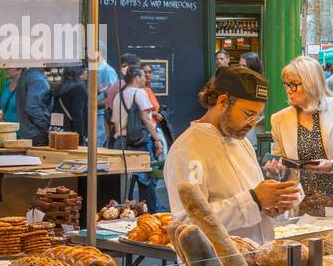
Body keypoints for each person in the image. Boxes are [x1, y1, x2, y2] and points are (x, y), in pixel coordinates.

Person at [165, 66, 301, 241]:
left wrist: (270, 206)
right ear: (222, 102)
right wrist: (254, 200)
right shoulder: (187, 150)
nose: (252, 123)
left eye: (257, 116)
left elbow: (253, 206)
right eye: (248, 114)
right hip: (216, 265)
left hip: (257, 259)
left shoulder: (243, 143)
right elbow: (188, 221)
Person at [268, 56, 333, 215]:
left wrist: (331, 165)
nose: (289, 90)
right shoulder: (279, 119)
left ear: (311, 84)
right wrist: (277, 170)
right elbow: (281, 159)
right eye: (287, 85)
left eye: (294, 85)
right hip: (302, 204)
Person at [111, 65, 164, 212]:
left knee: (124, 185)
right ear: (136, 78)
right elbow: (146, 119)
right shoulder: (139, 93)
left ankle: (123, 215)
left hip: (120, 143)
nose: (144, 79)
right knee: (146, 183)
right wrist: (157, 140)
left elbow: (115, 121)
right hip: (138, 143)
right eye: (142, 76)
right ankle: (149, 216)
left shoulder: (118, 96)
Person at [4, 67, 51, 147]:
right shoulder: (38, 79)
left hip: (26, 133)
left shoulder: (26, 76)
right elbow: (32, 107)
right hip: (36, 134)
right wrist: (46, 125)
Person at [51, 67, 88, 145]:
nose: (86, 73)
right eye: (84, 71)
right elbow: (77, 115)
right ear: (78, 74)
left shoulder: (59, 88)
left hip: (57, 130)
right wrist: (80, 136)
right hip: (71, 133)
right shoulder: (78, 90)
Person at [91, 57, 118, 149]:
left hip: (101, 117)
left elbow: (112, 98)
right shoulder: (93, 69)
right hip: (93, 116)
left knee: (99, 148)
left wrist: (91, 104)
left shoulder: (108, 71)